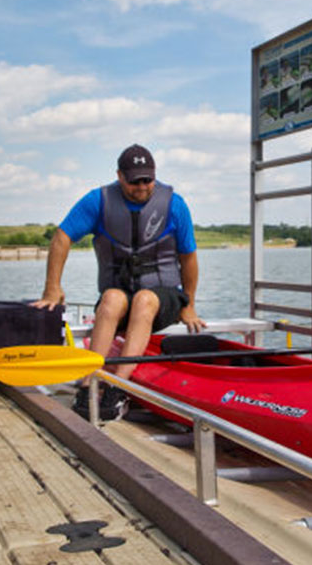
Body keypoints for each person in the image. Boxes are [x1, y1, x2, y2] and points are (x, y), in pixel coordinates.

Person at [32, 144, 206, 420]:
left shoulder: (175, 205)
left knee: (144, 300)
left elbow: (189, 257)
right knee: (111, 298)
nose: (142, 187)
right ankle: (90, 383)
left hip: (161, 298)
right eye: (134, 181)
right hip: (121, 295)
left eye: (147, 180)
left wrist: (189, 305)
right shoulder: (98, 201)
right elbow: (62, 237)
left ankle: (118, 388)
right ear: (119, 176)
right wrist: (52, 287)